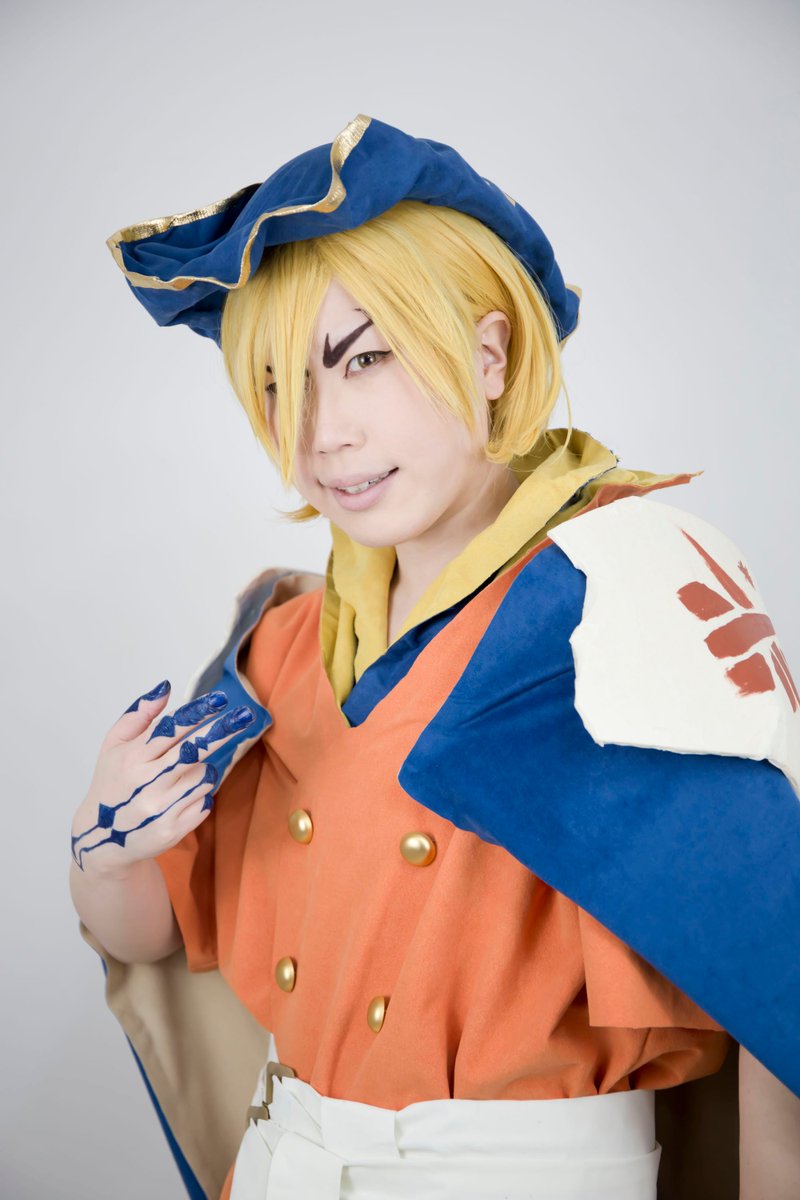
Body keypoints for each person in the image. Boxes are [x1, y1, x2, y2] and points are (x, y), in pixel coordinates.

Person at [70, 115, 800, 1200]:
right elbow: (154, 936)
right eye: (277, 384)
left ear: (490, 355)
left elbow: (776, 983)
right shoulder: (283, 642)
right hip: (279, 1166)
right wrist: (108, 846)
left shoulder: (624, 595)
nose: (322, 434)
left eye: (365, 359)